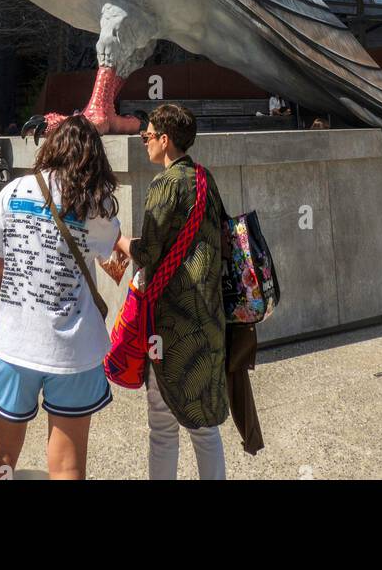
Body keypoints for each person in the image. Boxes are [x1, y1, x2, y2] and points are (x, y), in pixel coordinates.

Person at [0, 114, 120, 480]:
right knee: (68, 464)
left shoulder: (12, 193)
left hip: (16, 346)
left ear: (51, 147)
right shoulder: (95, 204)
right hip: (74, 349)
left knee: (1, 457)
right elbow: (110, 253)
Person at [116, 102, 229, 480]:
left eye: (147, 135)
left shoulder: (165, 183)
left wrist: (115, 241)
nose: (144, 141)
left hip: (173, 324)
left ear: (165, 140)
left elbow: (147, 252)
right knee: (203, 424)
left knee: (163, 426)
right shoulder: (203, 178)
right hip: (208, 317)